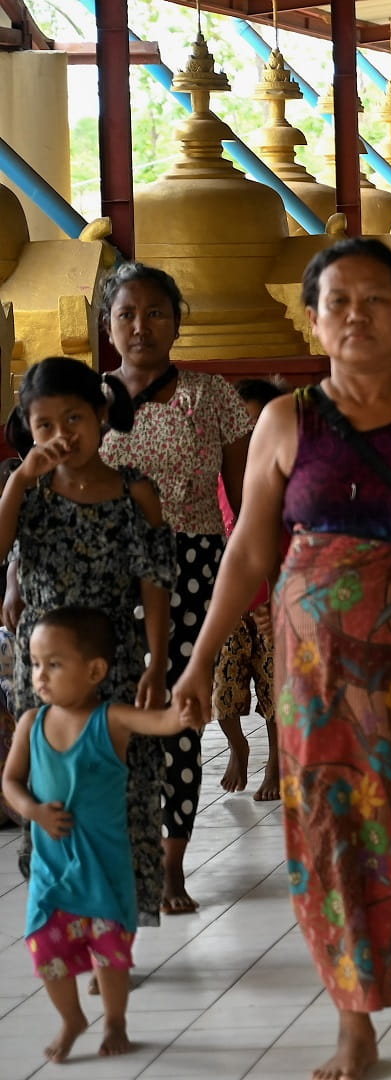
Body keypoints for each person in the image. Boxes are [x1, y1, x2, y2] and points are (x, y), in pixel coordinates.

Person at [172, 237, 391, 1080]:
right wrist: (199, 661)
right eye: (339, 301)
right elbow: (249, 558)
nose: (358, 315)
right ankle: (354, 1015)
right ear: (312, 320)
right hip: (316, 677)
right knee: (332, 832)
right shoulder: (286, 422)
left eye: (377, 299)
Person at [91, 263, 251, 916]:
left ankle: (172, 865)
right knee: (109, 720)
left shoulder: (212, 397)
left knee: (180, 719)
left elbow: (245, 504)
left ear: (177, 321)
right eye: (127, 314)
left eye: (155, 312)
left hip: (193, 566)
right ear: (108, 325)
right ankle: (118, 858)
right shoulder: (88, 400)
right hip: (107, 575)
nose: (140, 326)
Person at [0, 358, 173, 931]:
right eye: (43, 424)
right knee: (51, 794)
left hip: (113, 663)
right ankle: (62, 913)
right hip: (44, 671)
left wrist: (158, 660)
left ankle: (115, 922)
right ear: (28, 429)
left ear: (102, 414)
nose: (60, 436)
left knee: (120, 794)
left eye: (73, 418)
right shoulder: (27, 490)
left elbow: (154, 582)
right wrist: (20, 481)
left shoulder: (136, 492)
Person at [3, 608, 205, 1064]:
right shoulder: (30, 724)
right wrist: (32, 809)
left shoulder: (109, 719)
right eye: (35, 664)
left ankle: (115, 1020)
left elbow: (162, 724)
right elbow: (11, 782)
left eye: (54, 664)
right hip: (52, 873)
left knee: (112, 957)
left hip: (105, 870)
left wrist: (183, 713)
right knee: (45, 949)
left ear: (94, 670)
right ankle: (72, 1017)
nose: (40, 676)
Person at [214, 377, 288, 803]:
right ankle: (237, 744)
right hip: (231, 602)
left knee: (274, 688)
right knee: (224, 693)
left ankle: (276, 761)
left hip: (275, 600)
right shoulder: (218, 479)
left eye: (258, 424)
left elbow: (285, 547)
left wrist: (274, 600)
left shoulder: (286, 480)